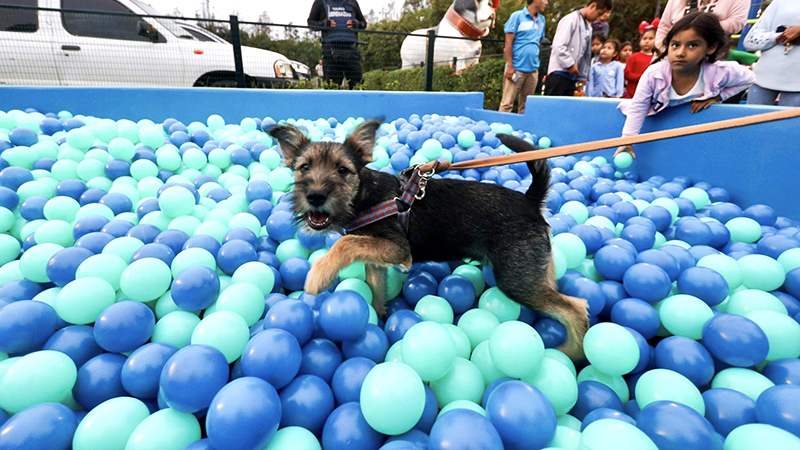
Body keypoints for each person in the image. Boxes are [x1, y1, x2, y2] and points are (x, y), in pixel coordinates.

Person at [616, 13, 755, 157]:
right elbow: (639, 106)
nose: (681, 53)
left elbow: (749, 78)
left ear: (711, 47)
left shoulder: (719, 72)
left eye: (692, 45)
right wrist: (627, 141)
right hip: (657, 119)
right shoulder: (654, 74)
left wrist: (718, 97)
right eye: (675, 45)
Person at [545, 0, 613, 97]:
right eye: (599, 14)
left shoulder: (588, 26)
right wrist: (570, 64)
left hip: (572, 76)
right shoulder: (571, 19)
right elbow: (559, 45)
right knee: (552, 107)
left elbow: (584, 53)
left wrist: (582, 73)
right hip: (559, 73)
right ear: (593, 6)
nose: (598, 18)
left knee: (567, 109)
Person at [743, 0, 800, 106]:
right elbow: (750, 40)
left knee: (791, 122)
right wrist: (780, 36)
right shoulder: (780, 2)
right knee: (752, 120)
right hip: (761, 81)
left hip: (796, 87)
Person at [499, 0, 549, 114]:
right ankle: (499, 130)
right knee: (506, 104)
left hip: (532, 70)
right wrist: (510, 66)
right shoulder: (517, 16)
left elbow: (539, 42)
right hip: (516, 68)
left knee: (526, 107)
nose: (547, 3)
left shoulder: (542, 20)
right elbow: (508, 43)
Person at [307, 0, 367, 89]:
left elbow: (363, 23)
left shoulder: (352, 2)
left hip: (351, 50)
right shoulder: (320, 2)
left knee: (357, 85)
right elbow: (311, 23)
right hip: (330, 50)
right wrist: (323, 24)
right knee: (331, 86)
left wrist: (357, 24)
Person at [655, 0, 750, 52]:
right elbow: (664, 26)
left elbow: (737, 23)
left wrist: (702, 26)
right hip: (670, 55)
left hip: (709, 56)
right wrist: (661, 50)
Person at [624, 23, 658, 98]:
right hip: (632, 94)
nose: (647, 41)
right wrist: (643, 77)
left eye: (650, 39)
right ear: (640, 40)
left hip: (649, 94)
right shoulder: (634, 57)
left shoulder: (656, 58)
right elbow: (627, 74)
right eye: (644, 38)